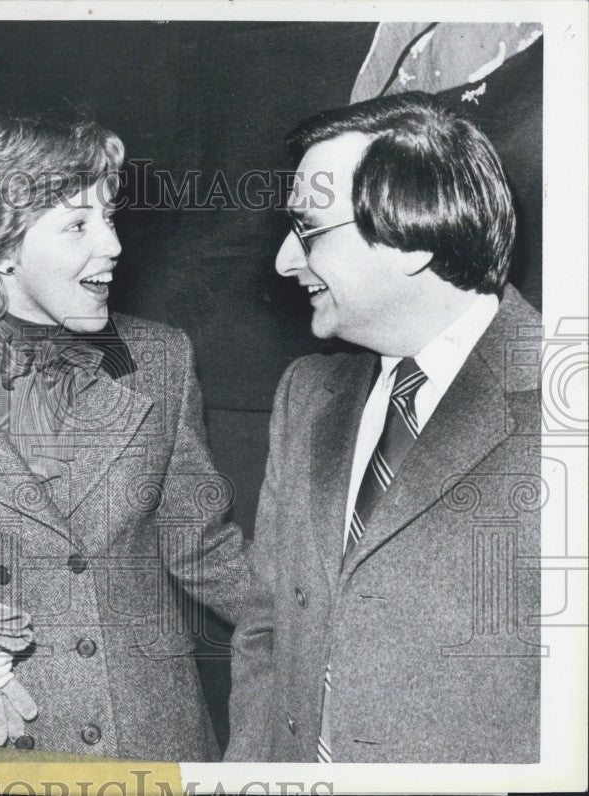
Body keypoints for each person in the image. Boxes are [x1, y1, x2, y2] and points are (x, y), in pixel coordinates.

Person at [0, 116, 250, 761]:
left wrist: (312, 626)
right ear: (2, 246)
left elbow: (201, 544)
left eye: (110, 218)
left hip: (144, 727)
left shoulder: (163, 361)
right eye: (78, 225)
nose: (114, 245)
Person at [226, 92, 541, 763]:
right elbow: (265, 627)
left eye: (309, 230)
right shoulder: (306, 396)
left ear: (410, 235)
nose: (286, 260)